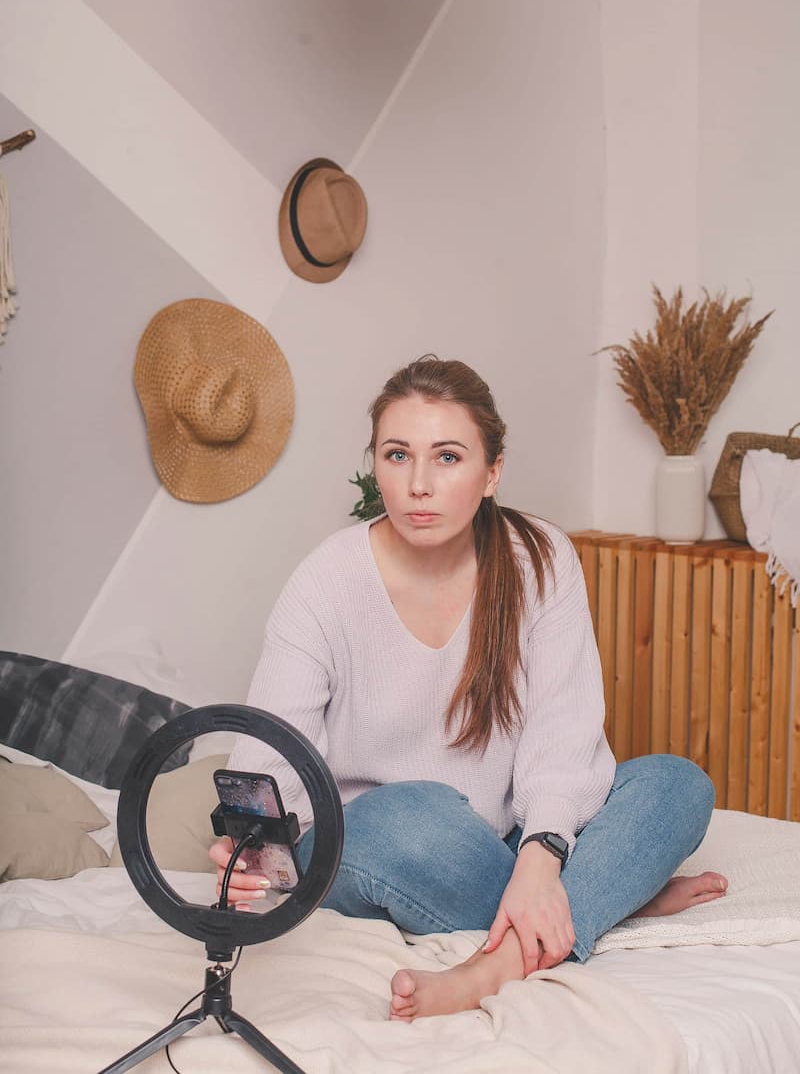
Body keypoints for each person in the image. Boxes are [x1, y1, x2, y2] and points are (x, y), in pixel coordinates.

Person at [211, 355, 727, 1022]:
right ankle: (605, 896)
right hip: (369, 840)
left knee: (677, 784)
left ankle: (509, 955)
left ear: (493, 472)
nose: (419, 484)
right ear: (376, 465)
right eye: (398, 455)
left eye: (447, 457)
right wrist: (249, 847)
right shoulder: (325, 583)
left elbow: (563, 735)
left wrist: (543, 860)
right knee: (409, 815)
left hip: (503, 842)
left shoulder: (539, 558)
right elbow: (268, 759)